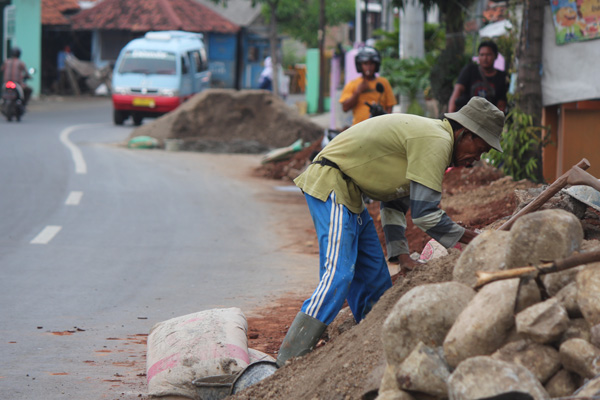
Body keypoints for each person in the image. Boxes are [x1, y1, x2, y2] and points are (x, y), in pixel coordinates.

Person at [276, 96, 505, 366]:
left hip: (352, 194)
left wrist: (402, 255)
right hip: (333, 183)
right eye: (480, 148)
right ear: (465, 133)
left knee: (377, 286)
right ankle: (288, 358)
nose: (477, 158)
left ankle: (367, 354)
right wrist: (473, 240)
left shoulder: (433, 140)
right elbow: (426, 215)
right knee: (338, 274)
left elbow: (395, 202)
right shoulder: (437, 141)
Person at [340, 46, 396, 126]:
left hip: (380, 127)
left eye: (371, 63)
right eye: (365, 64)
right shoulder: (353, 84)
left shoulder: (383, 82)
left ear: (376, 65)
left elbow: (390, 106)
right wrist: (358, 92)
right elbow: (345, 108)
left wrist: (385, 120)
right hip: (359, 128)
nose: (369, 67)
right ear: (360, 65)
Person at [447, 41, 508, 114]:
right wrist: (451, 115)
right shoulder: (470, 70)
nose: (485, 58)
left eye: (488, 55)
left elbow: (501, 105)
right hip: (467, 115)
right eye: (482, 55)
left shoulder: (502, 77)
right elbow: (457, 91)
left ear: (496, 56)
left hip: (488, 118)